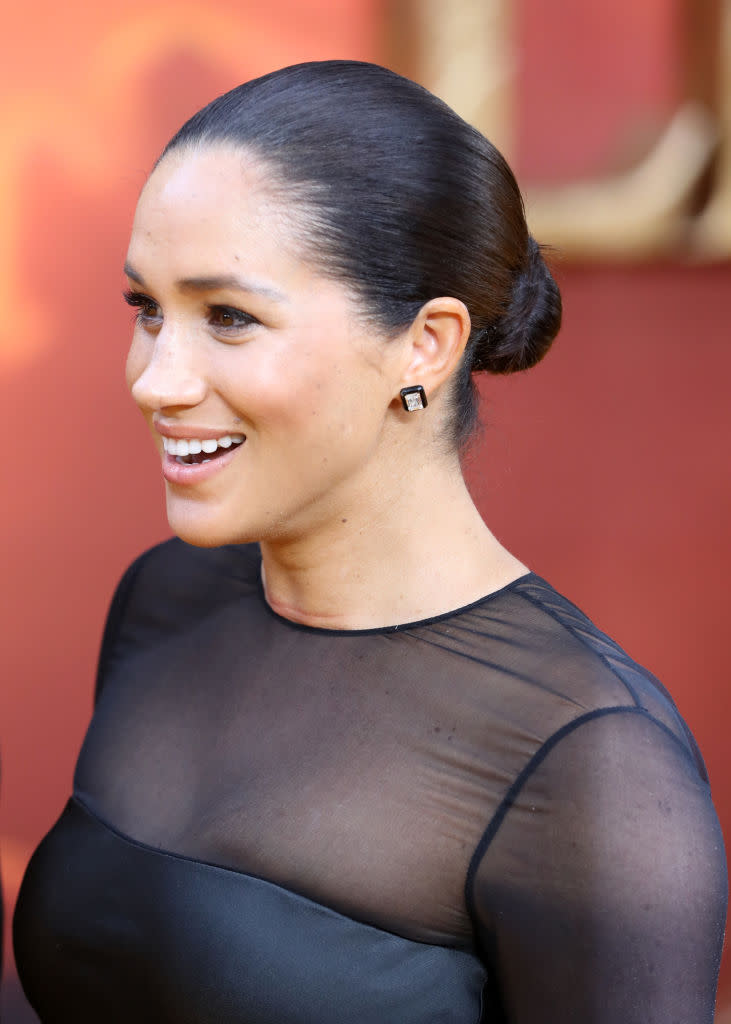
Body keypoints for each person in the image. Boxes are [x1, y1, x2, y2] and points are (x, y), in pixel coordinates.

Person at [13, 60, 727, 1023]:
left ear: (425, 345)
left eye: (229, 316)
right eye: (147, 308)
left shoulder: (590, 763)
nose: (154, 378)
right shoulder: (166, 598)